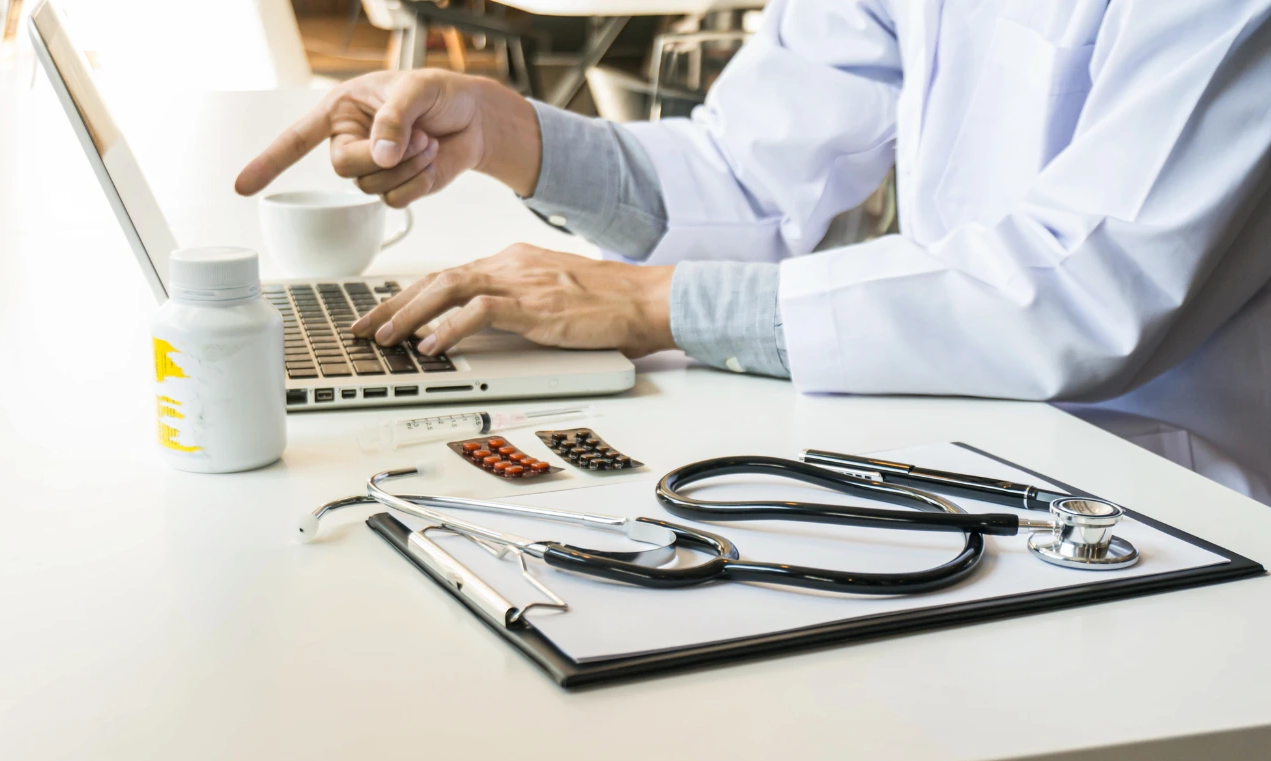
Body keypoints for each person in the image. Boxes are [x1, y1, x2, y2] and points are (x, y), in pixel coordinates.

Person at [236, 0, 1271, 505]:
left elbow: (1085, 292)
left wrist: (656, 305)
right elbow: (745, 172)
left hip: (1175, 500)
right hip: (968, 443)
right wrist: (508, 134)